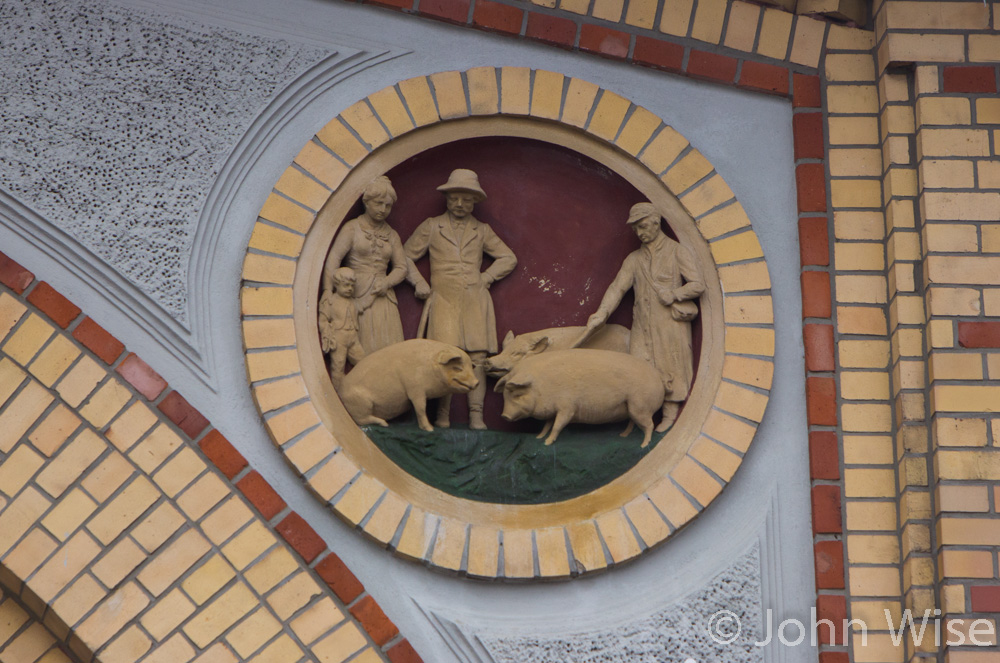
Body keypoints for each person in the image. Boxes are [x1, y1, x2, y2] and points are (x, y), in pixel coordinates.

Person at [404, 169, 517, 430]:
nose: (459, 204)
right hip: (443, 299)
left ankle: (476, 414)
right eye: (455, 198)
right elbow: (405, 256)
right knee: (446, 356)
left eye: (466, 200)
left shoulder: (482, 230)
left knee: (476, 357)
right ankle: (443, 413)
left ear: (475, 202)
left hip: (475, 301)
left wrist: (486, 277)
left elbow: (508, 257)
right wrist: (420, 283)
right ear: (447, 198)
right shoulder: (432, 226)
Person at [586, 202, 705, 432]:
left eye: (642, 226)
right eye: (636, 229)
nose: (640, 233)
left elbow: (698, 284)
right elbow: (617, 288)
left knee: (671, 366)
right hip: (642, 324)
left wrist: (674, 294)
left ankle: (669, 414)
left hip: (668, 324)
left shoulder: (676, 251)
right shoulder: (634, 259)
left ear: (655, 222)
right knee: (639, 369)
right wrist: (602, 312)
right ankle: (640, 416)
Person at [323, 175, 407, 353]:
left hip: (384, 296)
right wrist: (327, 291)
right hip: (357, 294)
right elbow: (334, 259)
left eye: (388, 205)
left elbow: (401, 267)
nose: (383, 209)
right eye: (378, 203)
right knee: (365, 347)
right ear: (367, 202)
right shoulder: (352, 228)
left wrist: (387, 282)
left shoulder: (392, 235)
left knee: (390, 348)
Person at [319, 267, 366, 389]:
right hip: (339, 338)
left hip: (353, 338)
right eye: (346, 285)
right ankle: (339, 393)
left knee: (363, 362)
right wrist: (328, 334)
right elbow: (323, 321)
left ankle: (361, 386)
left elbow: (363, 306)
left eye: (352, 286)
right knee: (338, 366)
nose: (350, 289)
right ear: (336, 284)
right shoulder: (330, 301)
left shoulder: (353, 301)